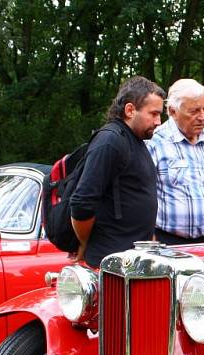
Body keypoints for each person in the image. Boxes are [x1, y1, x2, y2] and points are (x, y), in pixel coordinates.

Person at [70, 76, 165, 267]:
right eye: (153, 114)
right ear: (130, 110)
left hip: (133, 262)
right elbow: (81, 203)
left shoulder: (136, 140)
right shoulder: (110, 141)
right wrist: (85, 243)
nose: (158, 122)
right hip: (109, 264)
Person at [146, 79, 204, 244]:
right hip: (168, 242)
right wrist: (150, 243)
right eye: (194, 111)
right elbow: (142, 196)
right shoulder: (154, 142)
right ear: (173, 111)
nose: (202, 117)